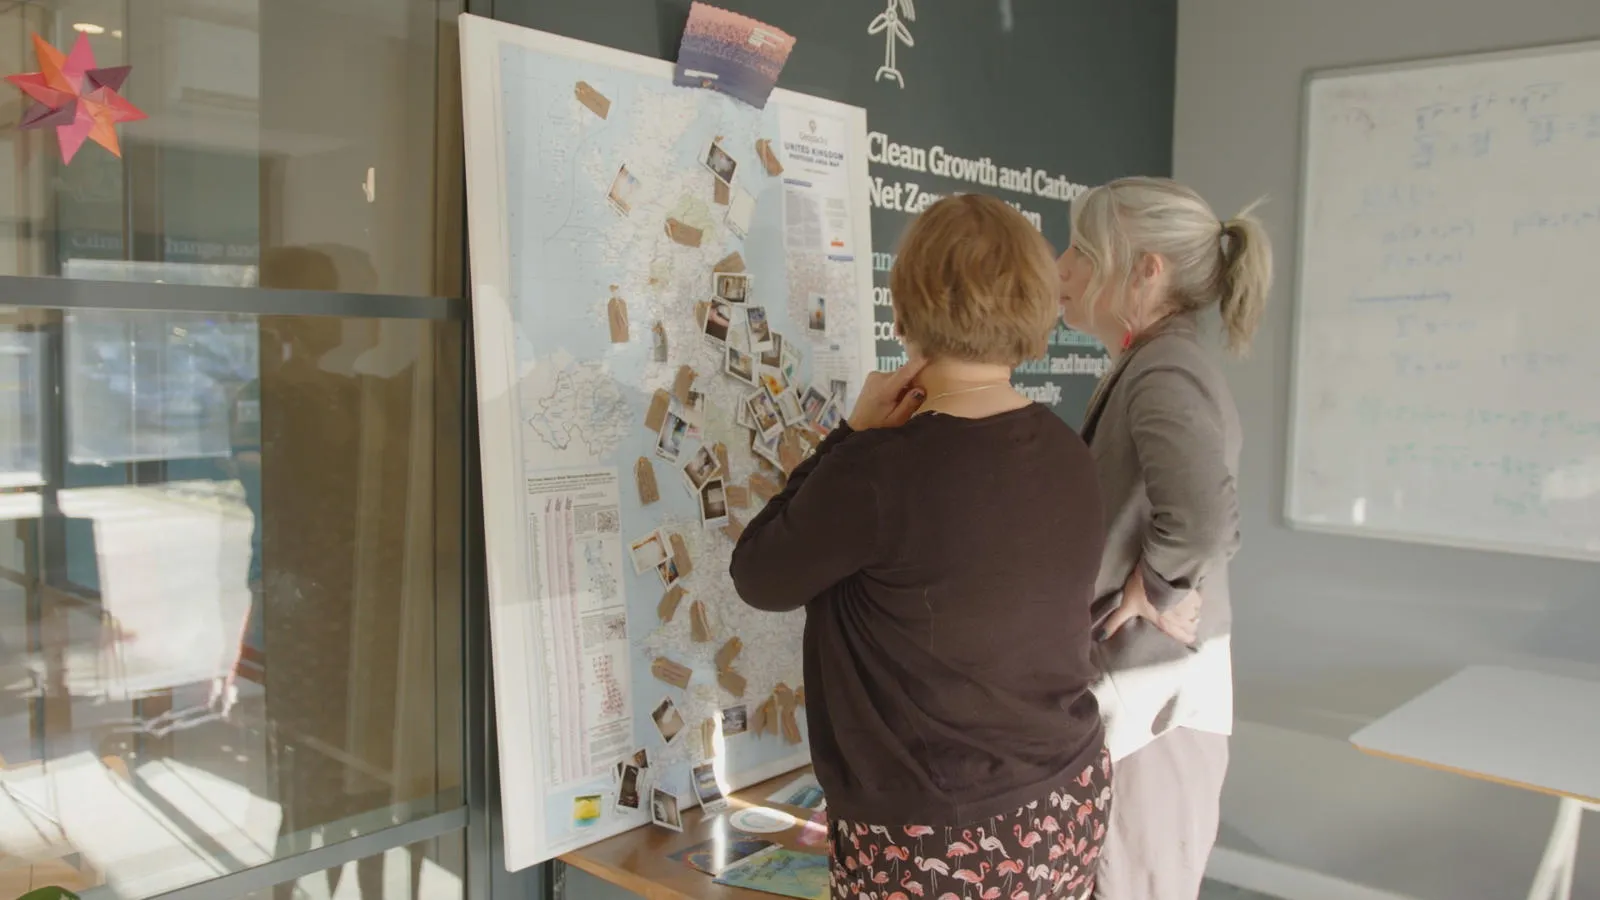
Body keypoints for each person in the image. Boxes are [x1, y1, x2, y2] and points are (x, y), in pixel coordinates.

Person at [731, 194, 1112, 900]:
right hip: (1069, 794)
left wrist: (850, 436)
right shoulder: (1067, 450)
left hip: (942, 833)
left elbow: (759, 574)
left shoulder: (879, 470)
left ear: (904, 312)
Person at [1055, 176, 1272, 900]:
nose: (1062, 269)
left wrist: (1161, 586)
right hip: (1147, 705)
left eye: (1081, 252)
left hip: (1153, 711)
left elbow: (1206, 521)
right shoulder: (1151, 365)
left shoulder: (1165, 370)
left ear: (1145, 270)